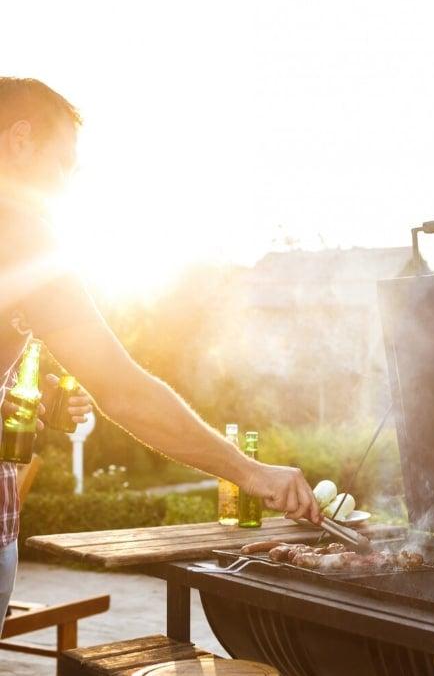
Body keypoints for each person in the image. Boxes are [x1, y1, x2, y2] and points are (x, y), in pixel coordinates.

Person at [0, 77, 321, 629]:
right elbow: (124, 392)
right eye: (63, 166)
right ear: (20, 141)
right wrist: (250, 472)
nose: (66, 189)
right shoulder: (25, 231)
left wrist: (34, 403)